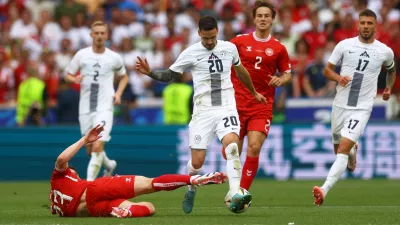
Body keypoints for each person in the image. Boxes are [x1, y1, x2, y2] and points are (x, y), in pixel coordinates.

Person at [135, 15, 266, 214]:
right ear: (198, 34)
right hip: (202, 113)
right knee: (197, 163)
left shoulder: (229, 48)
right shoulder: (190, 52)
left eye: (212, 37)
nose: (210, 42)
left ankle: (235, 192)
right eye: (206, 38)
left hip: (226, 108)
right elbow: (170, 75)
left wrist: (254, 92)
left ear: (217, 32)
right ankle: (191, 188)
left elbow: (241, 72)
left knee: (232, 145)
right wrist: (150, 72)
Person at [313, 9, 396, 206]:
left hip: (362, 108)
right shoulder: (344, 45)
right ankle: (352, 152)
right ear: (358, 25)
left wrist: (388, 88)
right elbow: (327, 70)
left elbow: (392, 71)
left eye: (370, 23)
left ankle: (323, 189)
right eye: (363, 23)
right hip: (340, 105)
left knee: (342, 147)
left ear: (376, 26)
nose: (366, 26)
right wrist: (338, 78)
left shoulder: (384, 51)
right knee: (338, 149)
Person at [50, 125, 227, 218]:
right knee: (151, 183)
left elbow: (57, 208)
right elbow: (60, 159)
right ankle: (193, 180)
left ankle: (127, 212)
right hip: (96, 190)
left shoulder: (57, 204)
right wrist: (84, 140)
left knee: (149, 208)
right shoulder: (61, 176)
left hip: (92, 209)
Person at [226, 2, 292, 191]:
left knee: (254, 147)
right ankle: (234, 186)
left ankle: (242, 193)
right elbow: (222, 60)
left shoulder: (278, 48)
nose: (263, 19)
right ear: (254, 19)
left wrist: (281, 80)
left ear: (272, 19)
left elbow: (287, 74)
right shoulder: (238, 42)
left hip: (261, 104)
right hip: (235, 104)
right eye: (260, 15)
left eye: (266, 16)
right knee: (232, 151)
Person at [64, 21, 129, 181]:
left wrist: (119, 93)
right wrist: (74, 79)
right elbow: (67, 75)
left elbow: (124, 76)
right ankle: (109, 165)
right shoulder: (82, 55)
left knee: (98, 145)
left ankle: (89, 185)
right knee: (90, 150)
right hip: (85, 107)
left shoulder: (114, 57)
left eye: (102, 33)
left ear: (106, 36)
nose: (99, 36)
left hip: (105, 106)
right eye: (97, 33)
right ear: (91, 35)